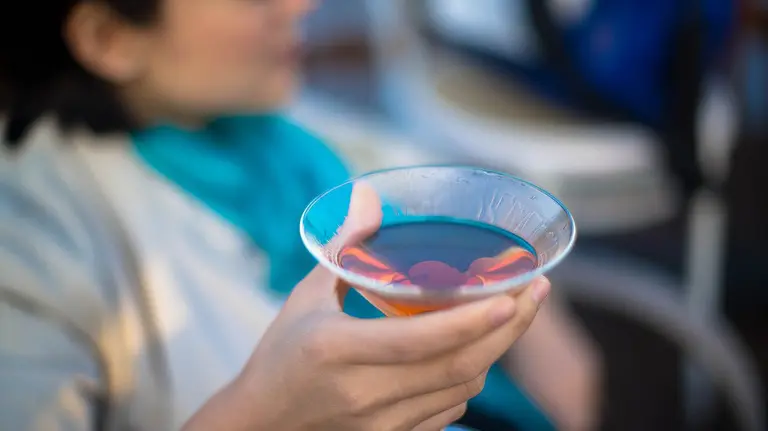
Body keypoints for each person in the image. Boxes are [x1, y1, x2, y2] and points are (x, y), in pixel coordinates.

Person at [0, 0, 599, 429]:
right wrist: (263, 412)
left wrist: (547, 332)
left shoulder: (263, 125)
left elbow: (429, 183)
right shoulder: (27, 245)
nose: (302, 6)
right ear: (109, 38)